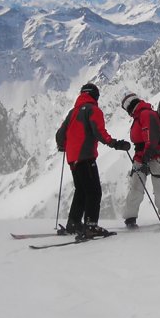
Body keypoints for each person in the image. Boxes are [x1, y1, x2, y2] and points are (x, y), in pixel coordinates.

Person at [54, 83, 131, 239]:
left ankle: (74, 223)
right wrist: (115, 144)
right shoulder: (92, 110)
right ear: (94, 95)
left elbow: (60, 134)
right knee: (94, 191)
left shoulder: (73, 112)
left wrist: (62, 146)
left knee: (81, 191)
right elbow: (99, 132)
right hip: (86, 157)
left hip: (72, 159)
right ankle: (91, 226)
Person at [120, 92, 160, 228]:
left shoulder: (145, 114)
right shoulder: (140, 115)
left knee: (153, 187)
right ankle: (133, 218)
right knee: (147, 186)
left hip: (151, 156)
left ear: (129, 105)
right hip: (145, 156)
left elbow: (150, 136)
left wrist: (147, 154)